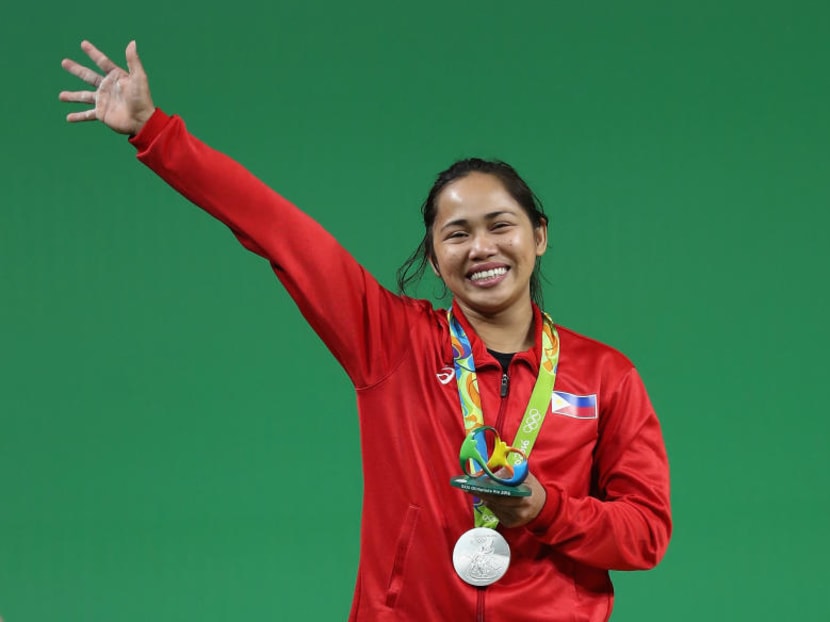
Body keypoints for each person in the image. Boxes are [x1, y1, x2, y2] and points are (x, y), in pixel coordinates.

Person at [59, 41, 671, 621]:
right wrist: (154, 132)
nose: (482, 247)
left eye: (500, 225)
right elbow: (279, 233)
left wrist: (546, 511)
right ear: (434, 258)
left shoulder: (606, 376)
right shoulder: (390, 341)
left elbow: (645, 536)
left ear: (538, 235)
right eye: (457, 233)